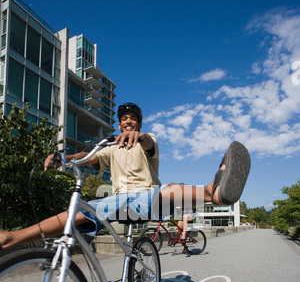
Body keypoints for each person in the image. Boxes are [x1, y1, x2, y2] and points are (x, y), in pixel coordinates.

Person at [0, 102, 251, 250]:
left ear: (138, 124)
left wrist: (140, 138)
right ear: (119, 125)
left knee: (172, 188)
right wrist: (64, 159)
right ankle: (14, 238)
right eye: (124, 120)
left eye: (132, 119)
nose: (127, 122)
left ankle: (213, 193)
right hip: (117, 203)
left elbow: (147, 142)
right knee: (76, 211)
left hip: (148, 199)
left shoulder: (148, 139)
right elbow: (88, 156)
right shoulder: (110, 149)